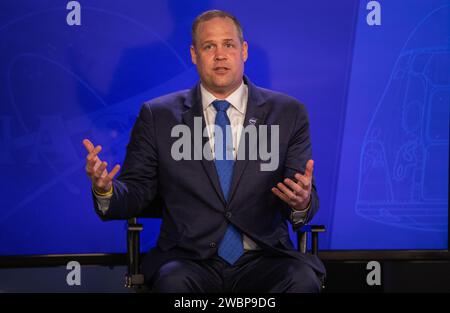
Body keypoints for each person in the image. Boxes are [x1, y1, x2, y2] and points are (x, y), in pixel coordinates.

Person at [83, 9, 325, 293]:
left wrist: (300, 202)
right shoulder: (158, 116)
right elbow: (137, 192)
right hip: (189, 260)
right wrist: (106, 190)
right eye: (209, 46)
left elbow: (301, 196)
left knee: (301, 280)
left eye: (229, 44)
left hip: (264, 258)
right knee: (173, 284)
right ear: (194, 55)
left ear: (243, 51)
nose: (220, 55)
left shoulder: (288, 113)